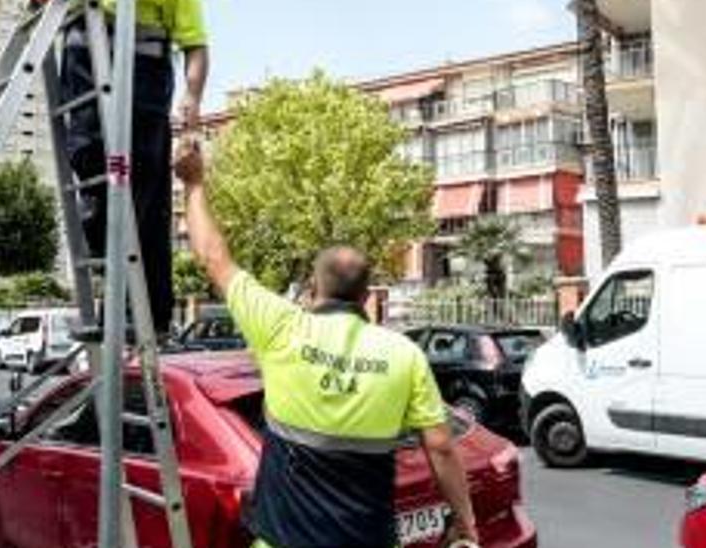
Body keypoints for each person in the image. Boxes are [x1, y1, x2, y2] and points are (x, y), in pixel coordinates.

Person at [173, 143, 480, 548]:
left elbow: (215, 257)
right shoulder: (404, 355)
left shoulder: (282, 327)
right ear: (367, 295)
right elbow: (440, 447)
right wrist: (465, 524)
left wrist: (194, 184)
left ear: (313, 288)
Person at [60, 0, 209, 335]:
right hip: (86, 64)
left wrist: (193, 96)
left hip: (144, 75)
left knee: (142, 191)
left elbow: (196, 44)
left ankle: (143, 314)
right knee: (95, 166)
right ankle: (123, 306)